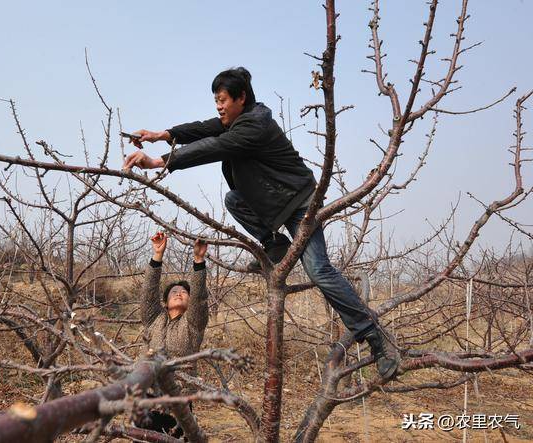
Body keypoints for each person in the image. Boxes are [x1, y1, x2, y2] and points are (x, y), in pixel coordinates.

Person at [123, 67, 400, 379]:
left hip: (299, 204)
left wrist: (161, 161)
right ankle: (274, 244)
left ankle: (379, 340)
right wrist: (163, 135)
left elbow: (214, 145)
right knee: (234, 200)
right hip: (278, 202)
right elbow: (205, 129)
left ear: (241, 98)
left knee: (320, 271)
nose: (218, 106)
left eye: (223, 99)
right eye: (216, 100)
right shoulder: (239, 119)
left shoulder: (254, 125)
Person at [135, 231, 208, 437]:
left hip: (178, 401)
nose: (178, 293)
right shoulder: (153, 319)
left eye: (184, 292)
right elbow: (148, 292)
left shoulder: (194, 324)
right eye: (174, 291)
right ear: (165, 302)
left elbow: (200, 297)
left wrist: (199, 261)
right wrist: (157, 256)